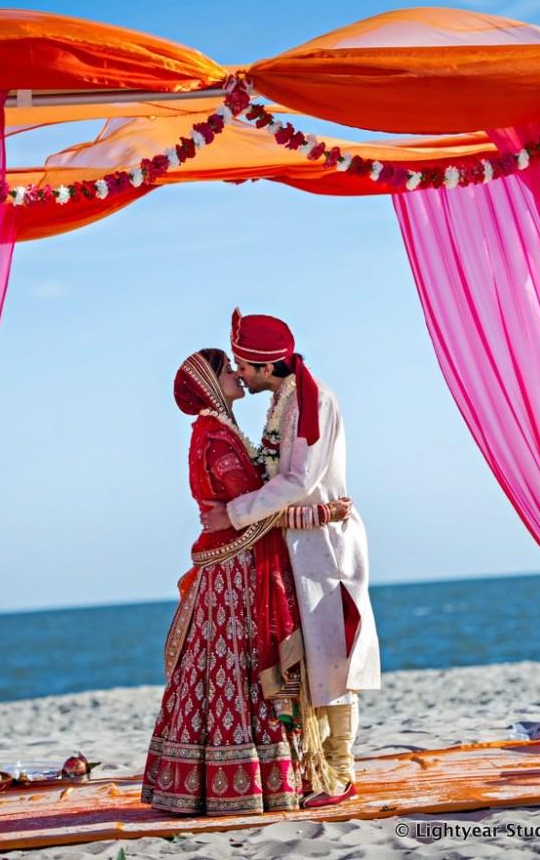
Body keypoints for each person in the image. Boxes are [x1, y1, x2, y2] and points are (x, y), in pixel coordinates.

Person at [141, 348, 351, 816]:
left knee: (229, 669)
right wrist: (321, 513)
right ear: (210, 386)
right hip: (235, 571)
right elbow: (250, 515)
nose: (236, 374)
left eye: (239, 365)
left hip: (235, 565)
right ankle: (241, 782)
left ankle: (228, 779)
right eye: (225, 369)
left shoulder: (221, 431)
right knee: (242, 668)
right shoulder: (216, 437)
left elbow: (250, 508)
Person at [201, 311, 381, 807]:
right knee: (311, 660)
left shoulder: (310, 402)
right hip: (299, 547)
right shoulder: (286, 398)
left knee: (333, 659)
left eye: (243, 364)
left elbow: (299, 481)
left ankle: (340, 775)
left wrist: (236, 512)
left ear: (265, 365)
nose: (239, 372)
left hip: (325, 547)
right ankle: (318, 768)